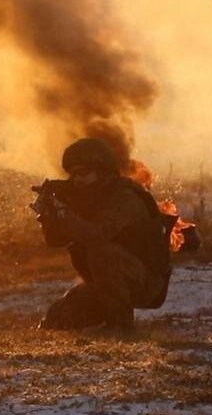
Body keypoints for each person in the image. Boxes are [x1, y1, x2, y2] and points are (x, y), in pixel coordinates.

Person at [33, 138, 172, 333]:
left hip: (145, 283)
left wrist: (65, 213)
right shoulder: (89, 198)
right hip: (107, 283)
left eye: (83, 172)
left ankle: (121, 327)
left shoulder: (125, 198)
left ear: (102, 170)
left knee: (102, 252)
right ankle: (104, 321)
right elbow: (56, 241)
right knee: (58, 319)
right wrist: (50, 218)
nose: (76, 180)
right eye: (72, 174)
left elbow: (97, 235)